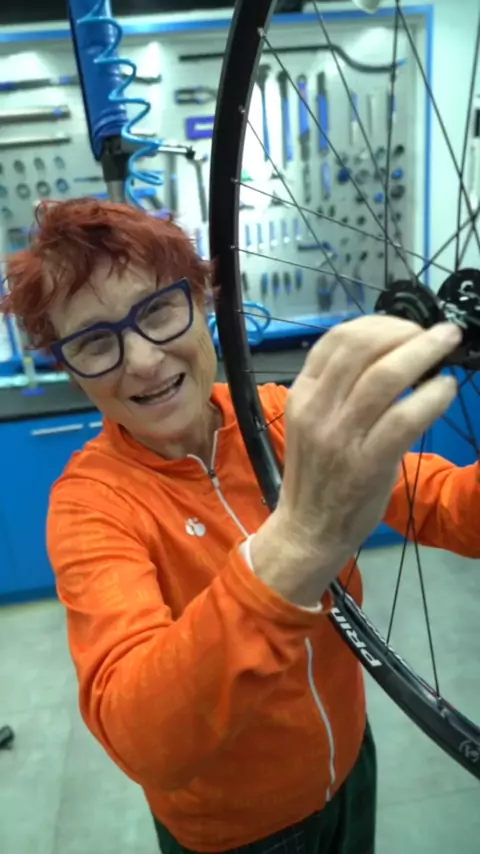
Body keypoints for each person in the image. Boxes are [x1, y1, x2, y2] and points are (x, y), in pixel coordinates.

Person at [3, 198, 480, 854]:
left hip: (349, 769)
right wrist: (297, 545)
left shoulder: (277, 416)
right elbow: (143, 737)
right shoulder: (91, 504)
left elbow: (445, 505)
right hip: (233, 835)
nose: (141, 360)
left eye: (158, 310)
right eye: (93, 341)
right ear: (69, 366)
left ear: (200, 300)